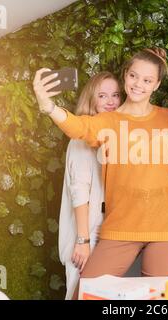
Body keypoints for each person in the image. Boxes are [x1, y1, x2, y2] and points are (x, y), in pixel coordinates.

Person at [33, 47, 168, 299]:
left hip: (166, 228)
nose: (138, 84)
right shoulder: (108, 120)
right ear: (126, 75)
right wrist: (48, 105)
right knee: (86, 293)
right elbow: (79, 127)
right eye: (134, 76)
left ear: (157, 84)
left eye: (147, 80)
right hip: (120, 227)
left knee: (157, 300)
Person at [58, 72, 121, 300]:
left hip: (110, 230)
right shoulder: (81, 137)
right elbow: (80, 191)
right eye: (102, 95)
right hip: (89, 231)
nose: (111, 101)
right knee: (82, 293)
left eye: (115, 95)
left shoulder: (115, 135)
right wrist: (83, 241)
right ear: (91, 100)